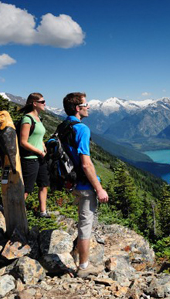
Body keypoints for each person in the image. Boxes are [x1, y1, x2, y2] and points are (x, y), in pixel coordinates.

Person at [62, 92, 109, 277]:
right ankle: (84, 267)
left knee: (82, 222)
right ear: (77, 108)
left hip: (72, 183)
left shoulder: (63, 125)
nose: (88, 107)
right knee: (85, 226)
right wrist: (99, 188)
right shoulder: (81, 128)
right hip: (85, 186)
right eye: (85, 104)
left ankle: (79, 253)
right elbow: (86, 163)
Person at [19, 93, 50, 218]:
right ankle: (15, 210)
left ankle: (43, 211)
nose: (45, 104)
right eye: (42, 102)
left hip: (41, 157)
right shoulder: (27, 119)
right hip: (30, 158)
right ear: (34, 103)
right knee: (27, 188)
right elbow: (23, 142)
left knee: (44, 184)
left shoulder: (38, 119)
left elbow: (37, 136)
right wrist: (38, 151)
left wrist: (43, 145)